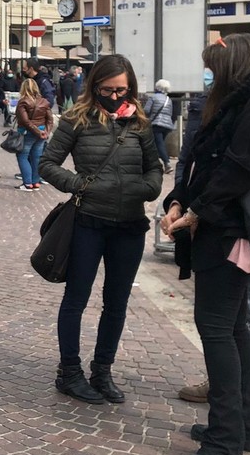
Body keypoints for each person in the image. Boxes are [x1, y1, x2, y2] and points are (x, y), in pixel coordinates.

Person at [161, 34, 250, 455]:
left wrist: (197, 210)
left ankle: (225, 440)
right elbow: (203, 164)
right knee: (234, 328)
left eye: (215, 67)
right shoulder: (244, 104)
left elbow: (239, 170)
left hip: (233, 232)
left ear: (234, 67)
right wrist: (179, 200)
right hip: (224, 228)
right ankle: (239, 427)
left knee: (218, 329)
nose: (210, 74)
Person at [40, 54, 162, 407]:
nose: (114, 95)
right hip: (88, 221)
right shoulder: (76, 119)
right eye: (107, 89)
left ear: (131, 88)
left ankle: (102, 370)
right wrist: (80, 185)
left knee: (117, 303)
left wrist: (147, 189)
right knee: (76, 300)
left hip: (129, 225)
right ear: (94, 87)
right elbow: (47, 163)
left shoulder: (139, 121)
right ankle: (69, 373)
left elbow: (155, 169)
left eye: (121, 89)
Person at [14, 78, 53, 191]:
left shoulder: (23, 101)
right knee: (37, 157)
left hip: (28, 132)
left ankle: (27, 183)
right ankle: (35, 182)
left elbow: (25, 121)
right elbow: (50, 119)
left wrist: (37, 131)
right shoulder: (44, 101)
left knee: (22, 156)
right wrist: (46, 132)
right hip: (41, 130)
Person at [145, 79, 175, 175]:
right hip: (167, 125)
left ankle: (167, 163)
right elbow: (170, 113)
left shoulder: (153, 98)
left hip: (156, 124)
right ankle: (155, 164)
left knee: (158, 144)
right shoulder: (168, 100)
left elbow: (146, 110)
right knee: (158, 144)